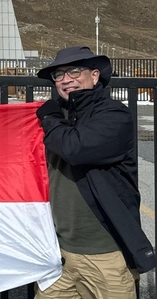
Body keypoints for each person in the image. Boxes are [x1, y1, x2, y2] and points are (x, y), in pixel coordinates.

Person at [34, 45, 155, 299]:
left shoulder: (114, 116)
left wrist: (49, 119)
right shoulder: (58, 116)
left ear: (95, 75)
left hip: (106, 256)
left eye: (74, 71)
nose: (66, 80)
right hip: (58, 254)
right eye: (59, 75)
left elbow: (75, 148)